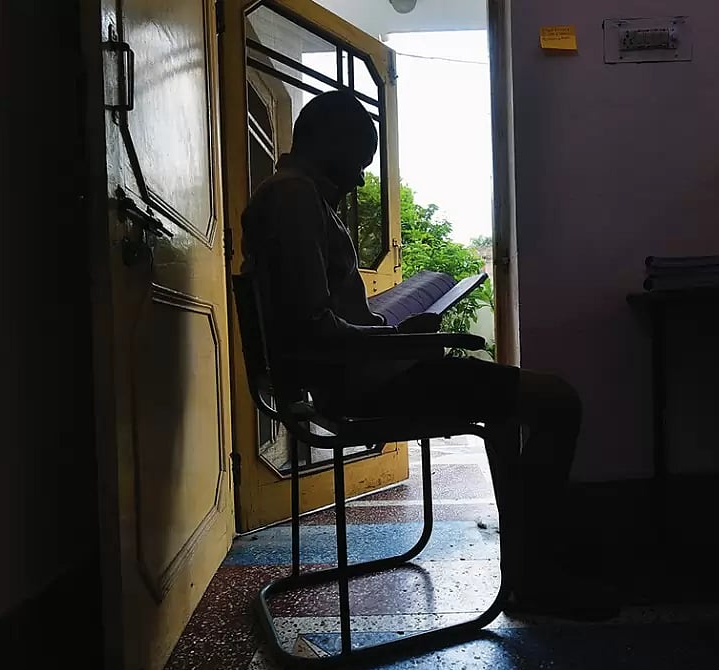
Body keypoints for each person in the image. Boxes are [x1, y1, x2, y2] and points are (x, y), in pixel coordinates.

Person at [241, 90, 593, 618]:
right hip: (367, 384)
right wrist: (404, 340)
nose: (360, 181)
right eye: (355, 166)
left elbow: (317, 320)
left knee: (516, 403)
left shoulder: (287, 194)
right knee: (559, 399)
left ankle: (528, 565)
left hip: (361, 372)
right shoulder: (294, 199)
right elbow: (317, 331)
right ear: (326, 143)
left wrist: (397, 330)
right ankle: (538, 573)